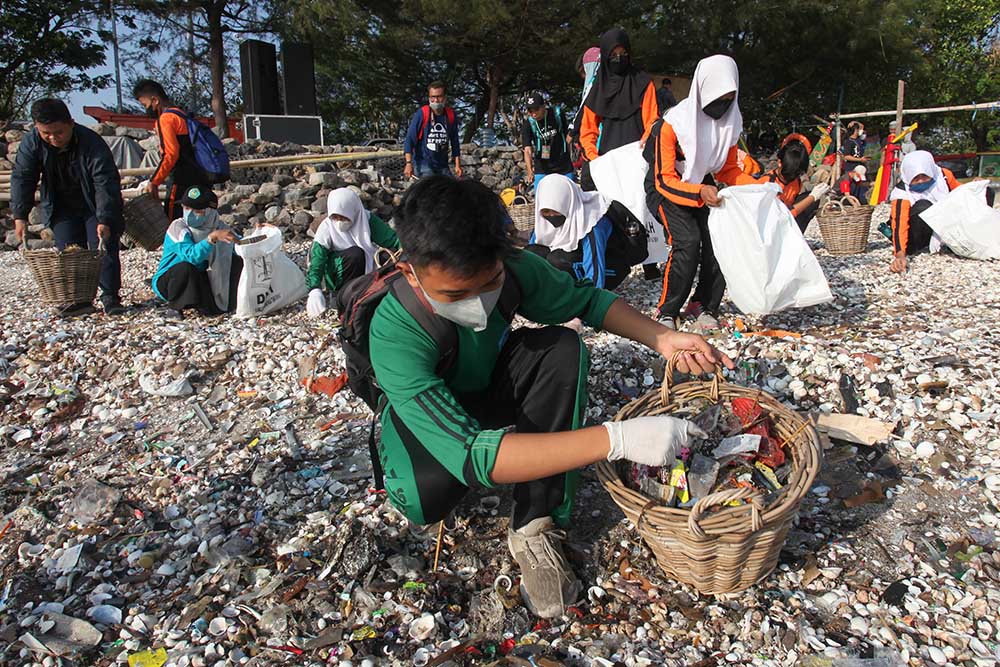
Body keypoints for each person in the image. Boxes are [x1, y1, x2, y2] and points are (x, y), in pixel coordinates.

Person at [369, 175, 733, 618]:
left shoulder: (513, 269)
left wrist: (664, 338)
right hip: (430, 420)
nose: (477, 303)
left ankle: (535, 524)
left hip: (489, 387)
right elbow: (472, 457)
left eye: (489, 285)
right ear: (410, 270)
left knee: (562, 348)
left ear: (502, 256)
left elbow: (587, 303)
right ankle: (504, 459)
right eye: (455, 294)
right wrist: (616, 439)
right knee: (426, 497)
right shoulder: (395, 330)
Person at [642, 54, 759, 330]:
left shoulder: (729, 123)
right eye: (717, 99)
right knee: (688, 241)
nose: (723, 106)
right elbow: (664, 179)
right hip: (666, 188)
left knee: (719, 238)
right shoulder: (672, 125)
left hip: (703, 184)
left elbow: (728, 170)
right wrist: (699, 192)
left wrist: (759, 186)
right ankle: (668, 311)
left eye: (729, 99)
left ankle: (704, 304)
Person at [10, 98, 125, 316]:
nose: (53, 138)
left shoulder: (92, 142)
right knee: (69, 252)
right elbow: (23, 177)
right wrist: (20, 215)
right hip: (60, 204)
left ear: (71, 123)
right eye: (46, 133)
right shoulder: (32, 142)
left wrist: (105, 218)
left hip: (93, 203)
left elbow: (105, 181)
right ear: (37, 128)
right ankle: (78, 301)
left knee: (102, 247)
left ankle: (110, 297)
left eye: (59, 132)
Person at [526, 175, 647, 291]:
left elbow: (595, 266)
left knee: (556, 259)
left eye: (556, 211)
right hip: (576, 258)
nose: (551, 216)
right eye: (546, 211)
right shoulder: (543, 220)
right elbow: (532, 251)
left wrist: (593, 301)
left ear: (567, 203)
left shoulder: (592, 221)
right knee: (533, 254)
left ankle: (576, 293)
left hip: (609, 266)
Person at [578, 28, 660, 190]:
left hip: (639, 160)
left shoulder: (643, 83)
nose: (619, 58)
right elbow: (587, 131)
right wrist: (595, 159)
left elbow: (652, 120)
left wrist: (641, 151)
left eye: (623, 53)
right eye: (613, 55)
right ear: (606, 56)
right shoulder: (598, 89)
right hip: (608, 165)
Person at [306, 188, 400, 317]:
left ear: (353, 211)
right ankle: (343, 296)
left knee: (388, 257)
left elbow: (392, 241)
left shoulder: (366, 219)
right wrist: (314, 289)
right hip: (339, 271)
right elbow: (317, 260)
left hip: (364, 261)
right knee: (355, 254)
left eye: (343, 217)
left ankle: (378, 291)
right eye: (335, 217)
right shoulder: (327, 228)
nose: (339, 222)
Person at [151, 186, 240, 318]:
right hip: (172, 281)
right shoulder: (178, 228)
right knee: (186, 268)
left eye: (197, 211)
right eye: (186, 208)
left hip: (201, 277)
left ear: (210, 211)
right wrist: (211, 238)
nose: (190, 213)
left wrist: (259, 234)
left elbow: (239, 246)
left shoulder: (220, 227)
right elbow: (191, 256)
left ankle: (228, 301)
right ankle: (174, 306)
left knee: (236, 261)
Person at [133, 80, 209, 222]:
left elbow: (171, 153)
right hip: (200, 178)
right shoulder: (182, 115)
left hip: (181, 182)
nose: (146, 109)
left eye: (145, 105)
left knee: (174, 224)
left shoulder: (166, 119)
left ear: (155, 100)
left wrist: (155, 181)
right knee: (199, 223)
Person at [888, 150, 966, 273]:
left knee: (985, 192)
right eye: (916, 178)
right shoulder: (902, 192)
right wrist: (900, 255)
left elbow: (962, 195)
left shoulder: (944, 176)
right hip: (915, 236)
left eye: (924, 176)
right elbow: (899, 224)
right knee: (924, 206)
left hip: (944, 226)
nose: (920, 181)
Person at [757, 133, 830, 232]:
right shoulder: (768, 182)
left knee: (810, 201)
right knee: (810, 199)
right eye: (789, 173)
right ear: (779, 163)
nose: (792, 177)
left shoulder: (796, 181)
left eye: (797, 174)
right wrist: (812, 197)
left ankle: (797, 235)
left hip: (786, 220)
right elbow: (781, 215)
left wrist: (814, 197)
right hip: (770, 226)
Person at [403, 81, 462, 179]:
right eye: (432, 97)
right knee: (431, 189)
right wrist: (408, 163)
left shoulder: (450, 115)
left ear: (444, 98)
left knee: (450, 190)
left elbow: (455, 142)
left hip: (442, 165)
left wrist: (457, 165)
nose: (435, 100)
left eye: (439, 96)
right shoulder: (422, 113)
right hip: (423, 163)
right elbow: (410, 139)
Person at [521, 93, 574, 192]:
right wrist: (530, 171)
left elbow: (567, 136)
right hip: (542, 166)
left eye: (536, 109)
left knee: (569, 195)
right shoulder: (528, 124)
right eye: (530, 111)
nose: (534, 114)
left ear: (543, 106)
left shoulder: (557, 114)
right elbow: (527, 150)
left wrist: (569, 154)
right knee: (541, 198)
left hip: (563, 164)